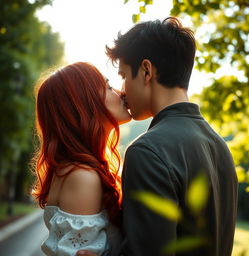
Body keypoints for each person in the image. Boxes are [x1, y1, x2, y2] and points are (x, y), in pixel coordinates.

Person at [77, 17, 238, 256]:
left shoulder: (148, 151)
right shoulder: (219, 146)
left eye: (123, 75)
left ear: (146, 70)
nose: (122, 90)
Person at [31, 62, 131, 255]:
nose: (121, 92)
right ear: (85, 104)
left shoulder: (74, 170)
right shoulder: (82, 176)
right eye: (109, 87)